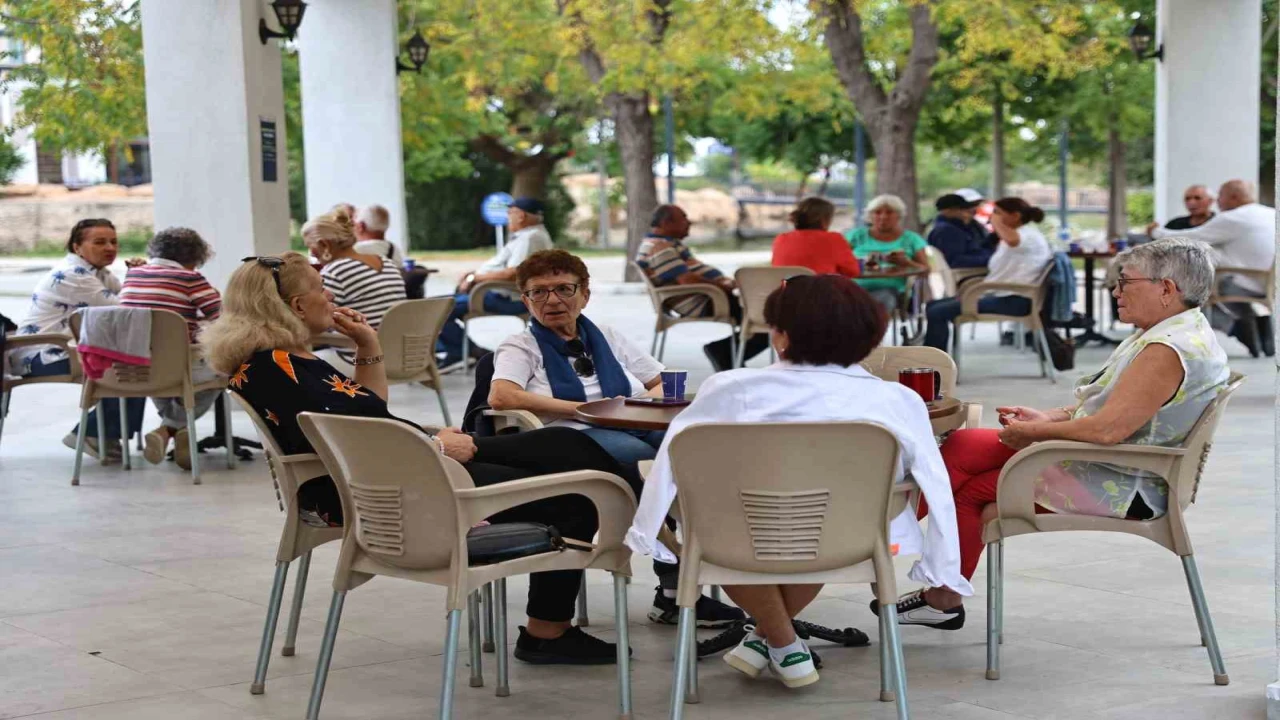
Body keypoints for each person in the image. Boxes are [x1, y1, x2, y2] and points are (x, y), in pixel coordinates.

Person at [202, 252, 637, 665]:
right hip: (400, 492)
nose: (330, 297)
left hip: (377, 481)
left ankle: (612, 529)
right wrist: (438, 446)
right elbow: (366, 437)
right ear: (297, 305)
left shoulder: (271, 365)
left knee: (563, 453)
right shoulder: (291, 370)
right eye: (321, 288)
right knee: (576, 488)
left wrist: (367, 344)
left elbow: (367, 410)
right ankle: (552, 629)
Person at [626, 274, 971, 688]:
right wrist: (942, 564)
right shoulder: (897, 399)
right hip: (846, 537)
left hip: (735, 535)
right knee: (832, 508)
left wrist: (649, 529)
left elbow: (675, 461)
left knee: (716, 521)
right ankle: (781, 641)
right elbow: (934, 479)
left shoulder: (729, 387)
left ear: (781, 333)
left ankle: (775, 641)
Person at [889, 238, 1229, 629]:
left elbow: (1107, 429)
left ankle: (888, 549)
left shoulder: (1166, 349)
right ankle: (893, 539)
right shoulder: (1174, 331)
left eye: (1125, 282)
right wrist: (1049, 419)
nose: (1115, 292)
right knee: (963, 444)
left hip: (1123, 479)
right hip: (1108, 461)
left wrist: (1035, 435)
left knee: (971, 491)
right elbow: (1113, 409)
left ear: (1166, 289)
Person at [489, 248, 745, 628]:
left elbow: (660, 382)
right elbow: (502, 396)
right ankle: (678, 588)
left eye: (564, 288)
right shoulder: (521, 346)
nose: (553, 300)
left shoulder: (606, 336)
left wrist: (631, 405)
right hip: (569, 440)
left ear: (585, 294)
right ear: (525, 300)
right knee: (652, 468)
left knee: (697, 456)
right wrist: (577, 409)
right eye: (539, 292)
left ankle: (703, 572)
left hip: (626, 425)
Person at [5, 218, 144, 461]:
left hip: (66, 349)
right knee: (129, 366)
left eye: (113, 242)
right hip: (42, 354)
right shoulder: (74, 274)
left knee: (136, 362)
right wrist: (140, 278)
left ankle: (103, 434)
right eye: (99, 242)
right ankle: (93, 434)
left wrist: (136, 276)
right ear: (77, 247)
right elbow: (126, 308)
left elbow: (127, 305)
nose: (110, 248)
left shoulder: (100, 273)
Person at [119, 227, 223, 470]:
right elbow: (222, 316)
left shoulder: (133, 274)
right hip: (177, 365)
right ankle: (170, 428)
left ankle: (174, 432)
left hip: (133, 365)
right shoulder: (190, 278)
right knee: (225, 368)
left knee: (160, 363)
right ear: (195, 257)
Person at [635, 204, 769, 372]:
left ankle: (726, 355)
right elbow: (687, 280)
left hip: (708, 296)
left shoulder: (665, 244)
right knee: (767, 317)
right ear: (666, 223)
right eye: (683, 218)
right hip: (704, 300)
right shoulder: (660, 247)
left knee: (765, 316)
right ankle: (722, 352)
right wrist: (724, 286)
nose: (689, 222)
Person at [1151, 180, 1275, 357]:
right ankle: (1260, 326)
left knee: (1186, 293)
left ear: (1234, 197)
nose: (1218, 201)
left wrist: (1155, 232)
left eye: (1220, 196)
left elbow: (1191, 238)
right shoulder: (1271, 213)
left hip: (1245, 281)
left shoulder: (1232, 218)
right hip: (1269, 281)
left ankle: (1237, 328)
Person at [437, 197, 554, 368]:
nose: (508, 218)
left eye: (510, 213)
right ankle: (469, 352)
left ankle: (463, 353)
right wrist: (474, 275)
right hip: (494, 293)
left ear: (520, 215)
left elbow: (514, 272)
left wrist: (475, 278)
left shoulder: (530, 237)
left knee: (439, 307)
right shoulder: (528, 236)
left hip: (506, 298)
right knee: (440, 304)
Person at [923, 197, 1052, 351]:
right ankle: (932, 358)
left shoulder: (1027, 236)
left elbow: (1012, 240)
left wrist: (996, 222)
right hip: (1002, 295)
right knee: (933, 306)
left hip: (1015, 300)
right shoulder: (1020, 234)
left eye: (997, 212)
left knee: (938, 312)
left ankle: (934, 365)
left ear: (1016, 216)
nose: (993, 216)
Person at [303, 207, 407, 372]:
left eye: (310, 247)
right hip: (403, 356)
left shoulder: (335, 271)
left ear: (324, 245)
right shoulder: (387, 263)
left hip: (362, 359)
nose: (311, 254)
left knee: (292, 364)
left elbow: (314, 323)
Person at [844, 194, 930, 313]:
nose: (883, 217)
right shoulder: (856, 236)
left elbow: (925, 270)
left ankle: (872, 330)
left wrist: (906, 262)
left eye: (889, 212)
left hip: (891, 289)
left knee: (881, 301)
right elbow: (839, 261)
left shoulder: (911, 239)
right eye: (877, 212)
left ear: (899, 216)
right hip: (854, 288)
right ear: (870, 216)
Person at [770, 197, 860, 277]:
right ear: (825, 219)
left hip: (784, 293)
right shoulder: (833, 239)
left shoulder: (781, 239)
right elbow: (852, 271)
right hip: (821, 294)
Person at [928, 193, 994, 269]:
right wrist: (992, 259)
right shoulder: (947, 231)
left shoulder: (962, 227)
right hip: (969, 274)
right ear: (947, 211)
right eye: (960, 208)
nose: (967, 210)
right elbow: (956, 261)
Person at [1147, 184, 1216, 234]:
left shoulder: (1217, 222)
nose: (1191, 202)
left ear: (1210, 201)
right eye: (1187, 199)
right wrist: (1152, 232)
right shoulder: (1175, 224)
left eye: (1197, 198)